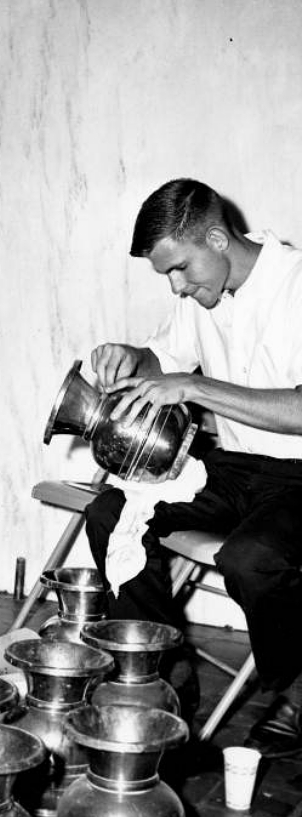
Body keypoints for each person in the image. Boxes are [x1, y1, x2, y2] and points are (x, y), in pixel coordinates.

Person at [84, 178, 302, 757]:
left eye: (180, 269)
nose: (177, 287)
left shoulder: (298, 284)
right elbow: (165, 358)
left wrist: (196, 386)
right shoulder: (203, 293)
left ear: (215, 237)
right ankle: (166, 674)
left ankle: (297, 693)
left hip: (299, 476)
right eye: (167, 277)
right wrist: (132, 357)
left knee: (252, 559)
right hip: (233, 466)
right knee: (109, 512)